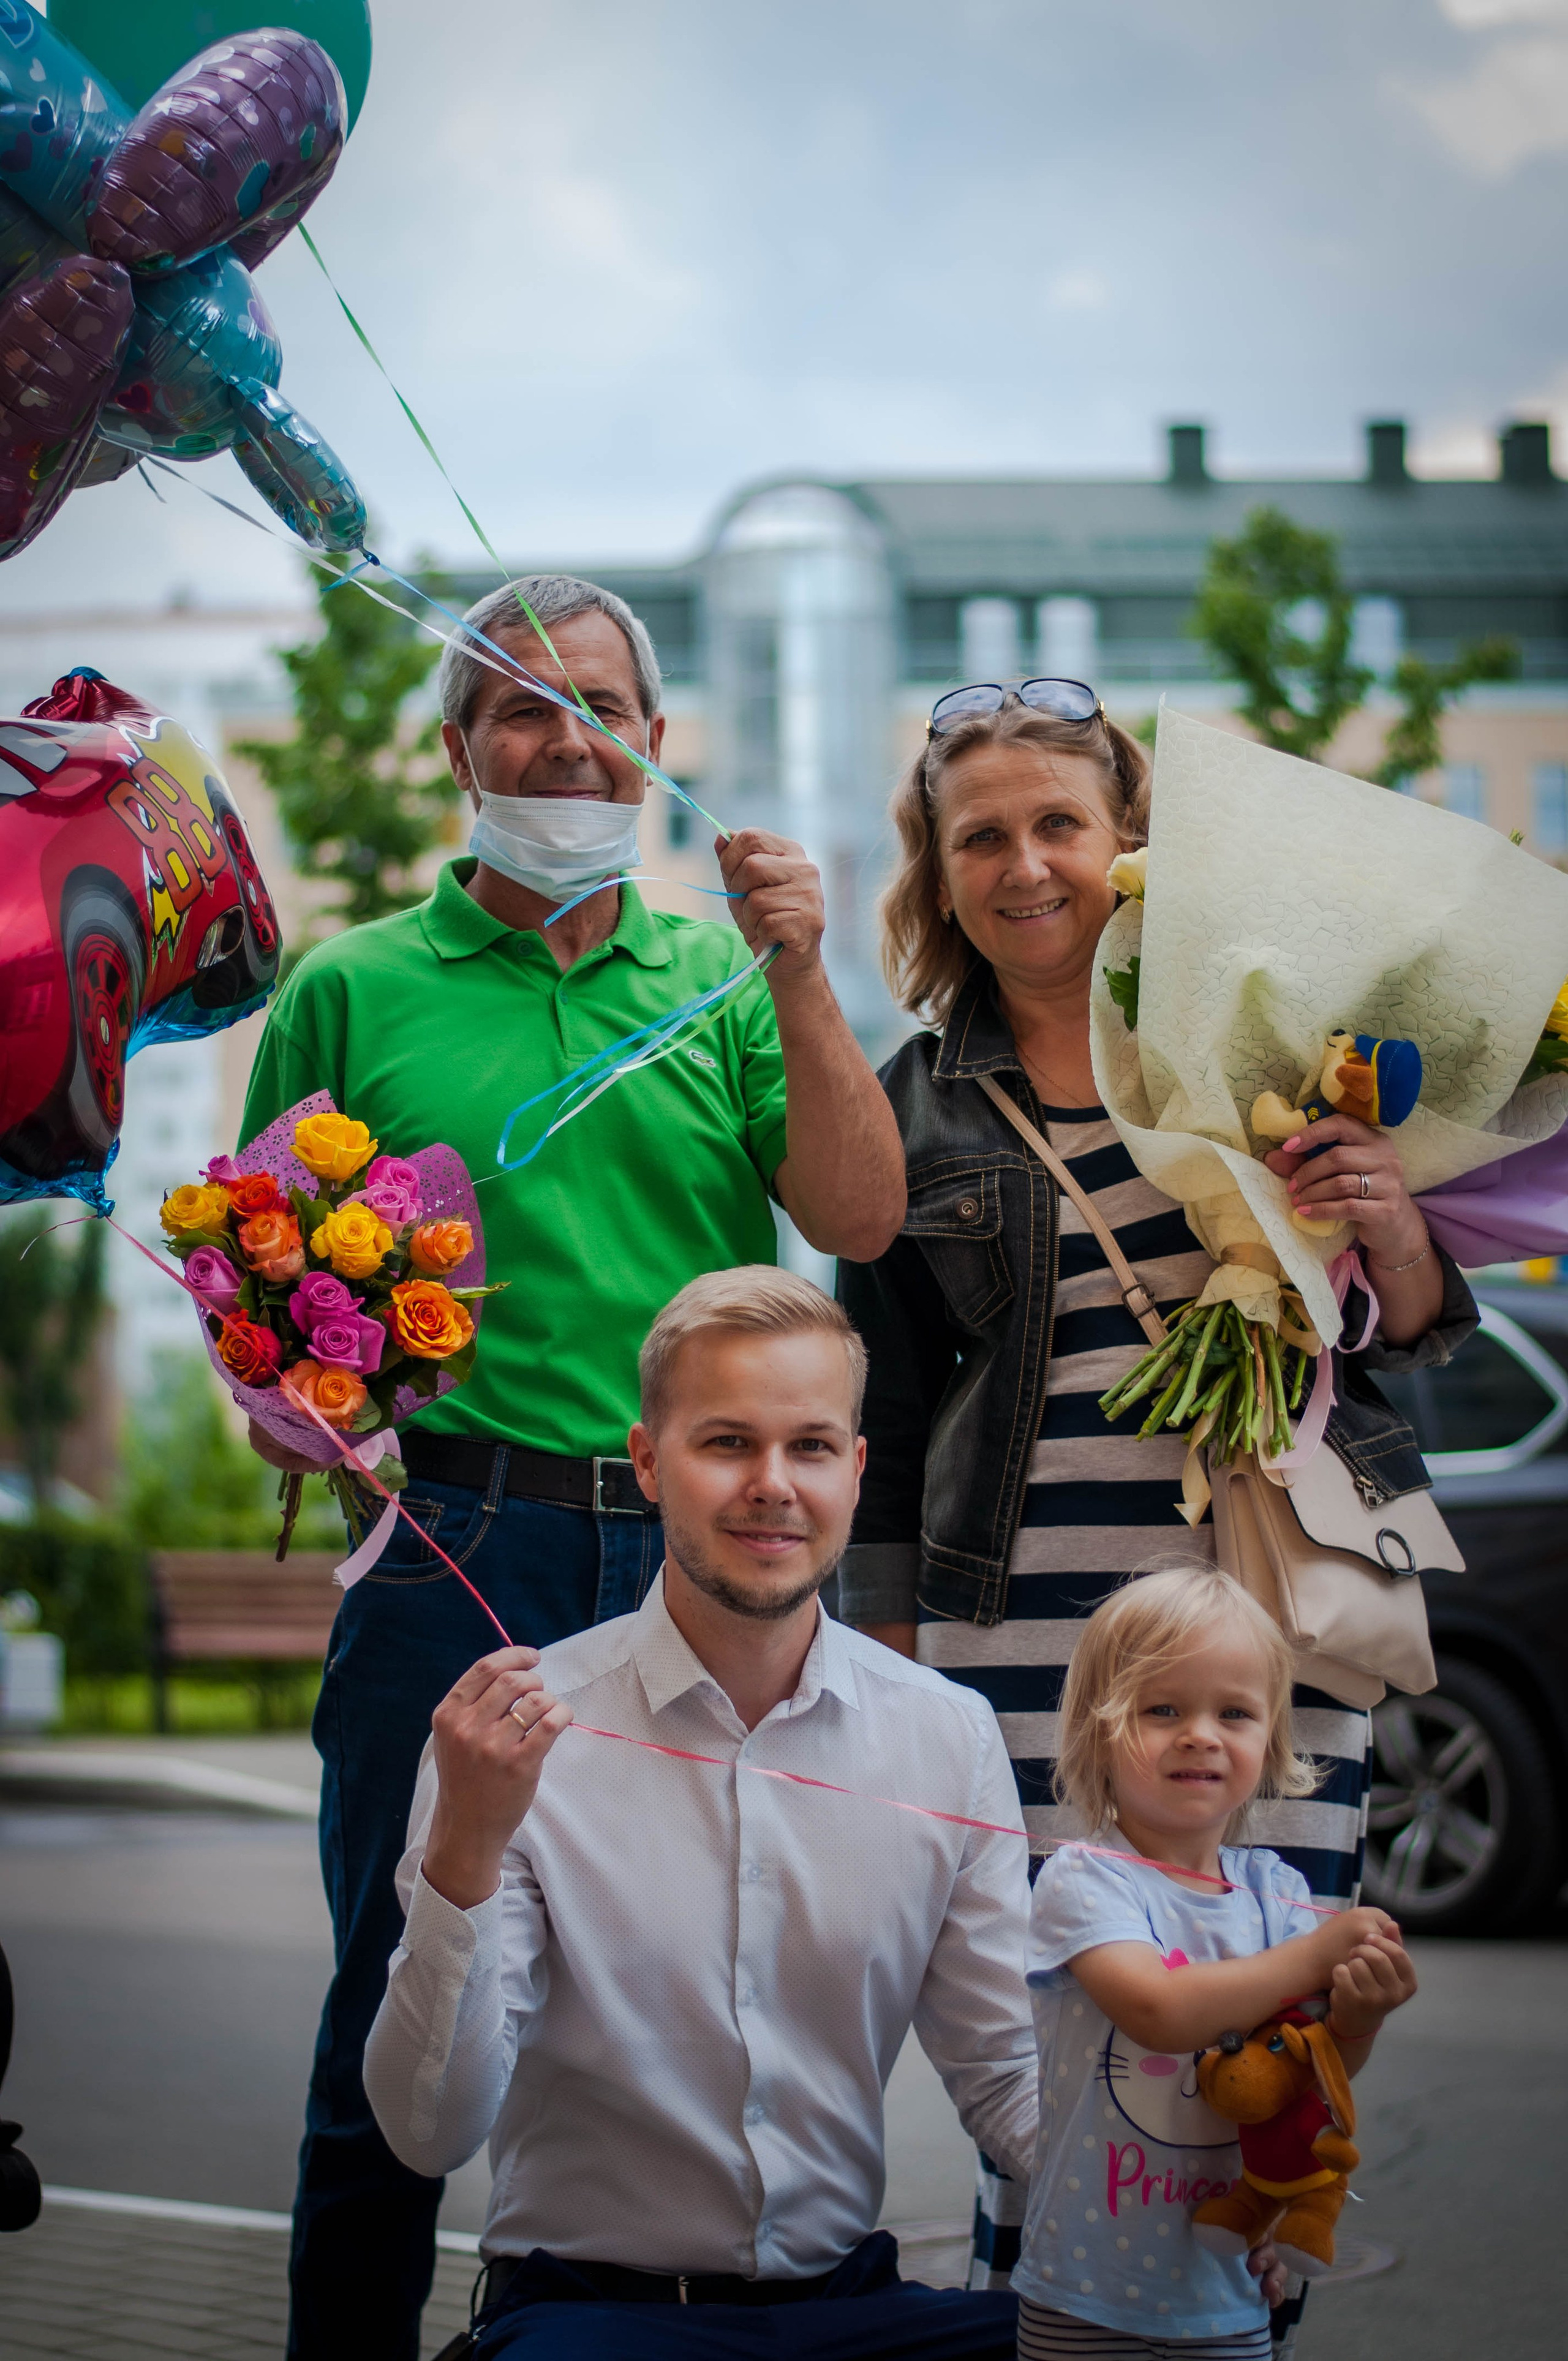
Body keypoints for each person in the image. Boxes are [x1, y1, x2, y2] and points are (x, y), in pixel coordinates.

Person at [240, 576, 907, 2360]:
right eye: (520, 707)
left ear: (656, 745)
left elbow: (856, 1214)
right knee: (395, 2011)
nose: (563, 737)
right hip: (459, 1547)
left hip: (716, 1567)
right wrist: (286, 1405)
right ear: (458, 750)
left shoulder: (722, 978)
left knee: (703, 2006)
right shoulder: (347, 986)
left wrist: (801, 976)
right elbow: (264, 1294)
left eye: (598, 702)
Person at [834, 678, 1476, 2283]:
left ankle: (1236, 2321)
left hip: (1276, 1617)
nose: (1024, 863)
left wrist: (1388, 1215)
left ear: (1132, 847)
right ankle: (1044, 2310)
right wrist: (892, 1670)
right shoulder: (909, 1103)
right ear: (939, 868)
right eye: (980, 836)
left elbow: (1405, 1337)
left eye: (1061, 822)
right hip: (1022, 1632)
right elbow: (891, 1413)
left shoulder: (1262, 1042)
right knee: (1061, 2046)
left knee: (1274, 2022)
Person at [363, 1268, 1035, 2359]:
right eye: (727, 1443)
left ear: (857, 1472)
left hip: (843, 2312)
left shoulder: (946, 1735)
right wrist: (465, 1856)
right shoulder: (515, 1740)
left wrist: (1173, 2200)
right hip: (597, 2320)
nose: (774, 1484)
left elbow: (1006, 2075)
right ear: (646, 1464)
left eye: (811, 1447)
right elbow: (426, 2131)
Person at [1016, 1567, 1416, 2360]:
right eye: (1162, 1709)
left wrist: (1358, 2018)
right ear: (1101, 1729)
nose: (1200, 1733)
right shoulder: (1086, 1879)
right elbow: (1158, 2013)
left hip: (1226, 2284)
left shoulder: (1278, 1894)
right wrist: (1312, 1957)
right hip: (1085, 2289)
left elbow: (1307, 2068)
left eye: (1234, 1712)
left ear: (1270, 1738)